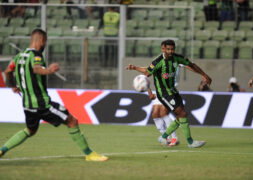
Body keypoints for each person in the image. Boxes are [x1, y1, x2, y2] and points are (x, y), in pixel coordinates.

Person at [0, 29, 108, 162]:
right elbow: (36, 68)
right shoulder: (36, 55)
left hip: (27, 104)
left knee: (30, 130)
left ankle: (2, 150)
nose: (45, 44)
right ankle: (89, 154)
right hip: (42, 103)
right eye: (45, 41)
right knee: (72, 121)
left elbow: (7, 71)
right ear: (41, 40)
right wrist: (49, 70)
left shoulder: (19, 56)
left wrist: (13, 86)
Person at [126, 39, 212, 148]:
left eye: (172, 49)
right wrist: (147, 90)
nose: (170, 51)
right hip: (164, 94)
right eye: (168, 49)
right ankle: (190, 142)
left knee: (181, 115)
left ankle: (165, 136)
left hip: (174, 91)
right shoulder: (157, 62)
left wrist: (204, 75)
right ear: (163, 49)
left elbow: (191, 65)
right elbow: (146, 75)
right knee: (181, 114)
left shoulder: (177, 58)